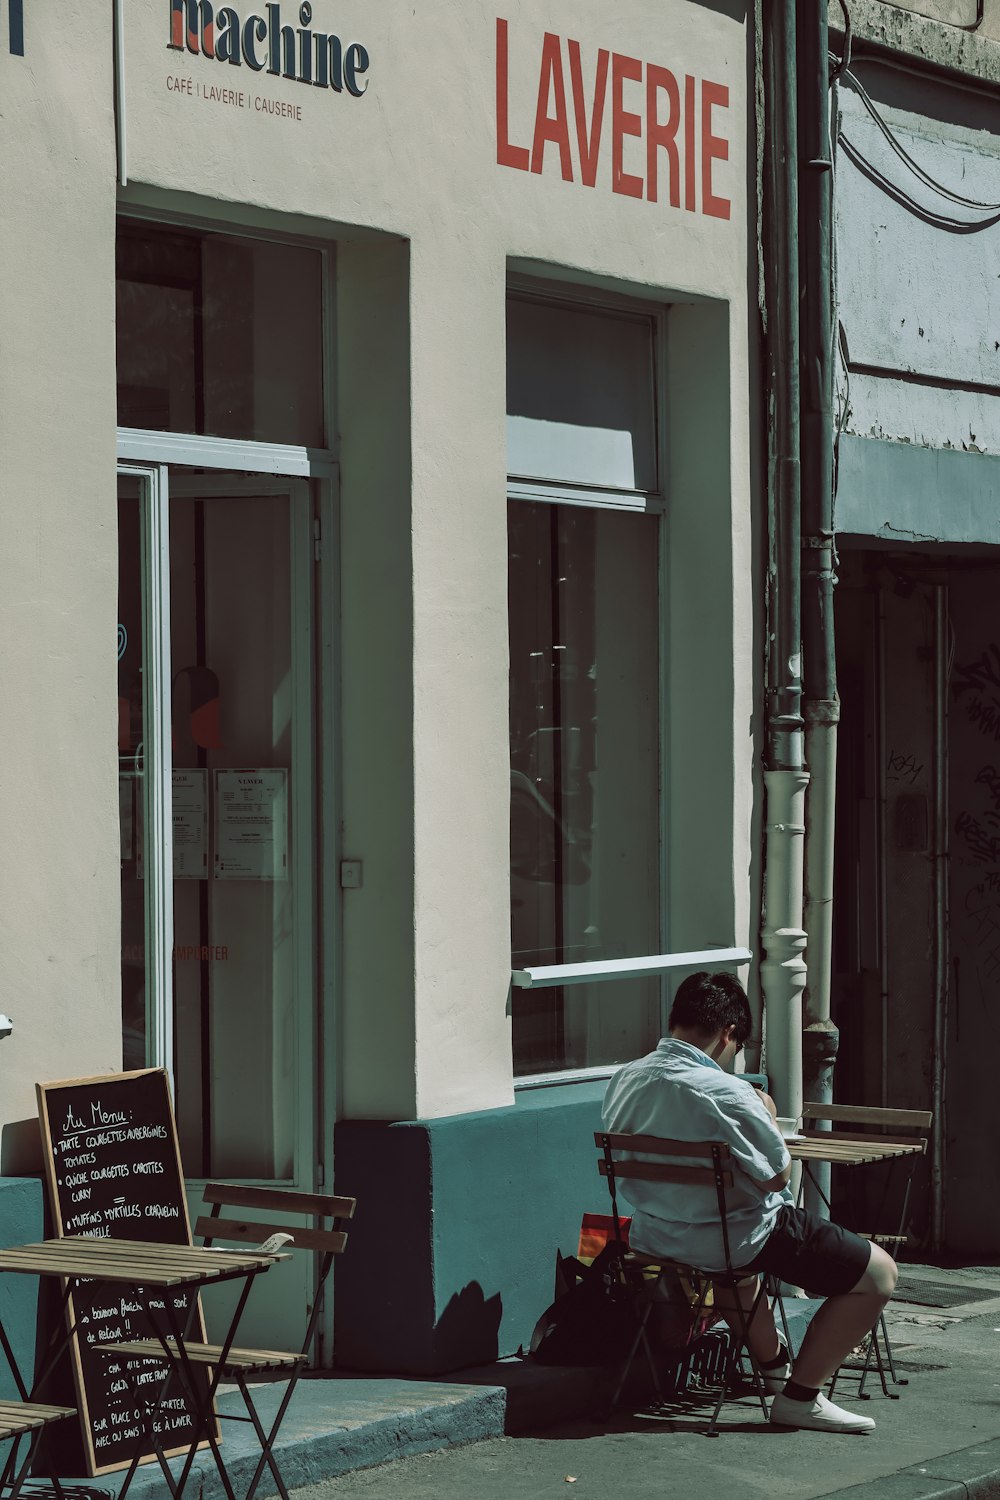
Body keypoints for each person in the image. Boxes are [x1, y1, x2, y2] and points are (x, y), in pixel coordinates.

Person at [602, 970, 897, 1434]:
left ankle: (776, 1374)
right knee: (879, 1273)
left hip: (655, 1236)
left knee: (737, 1273)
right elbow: (778, 1176)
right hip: (731, 1240)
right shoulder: (728, 1091)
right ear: (728, 1034)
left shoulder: (624, 1079)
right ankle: (801, 1398)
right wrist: (766, 1110)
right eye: (737, 1047)